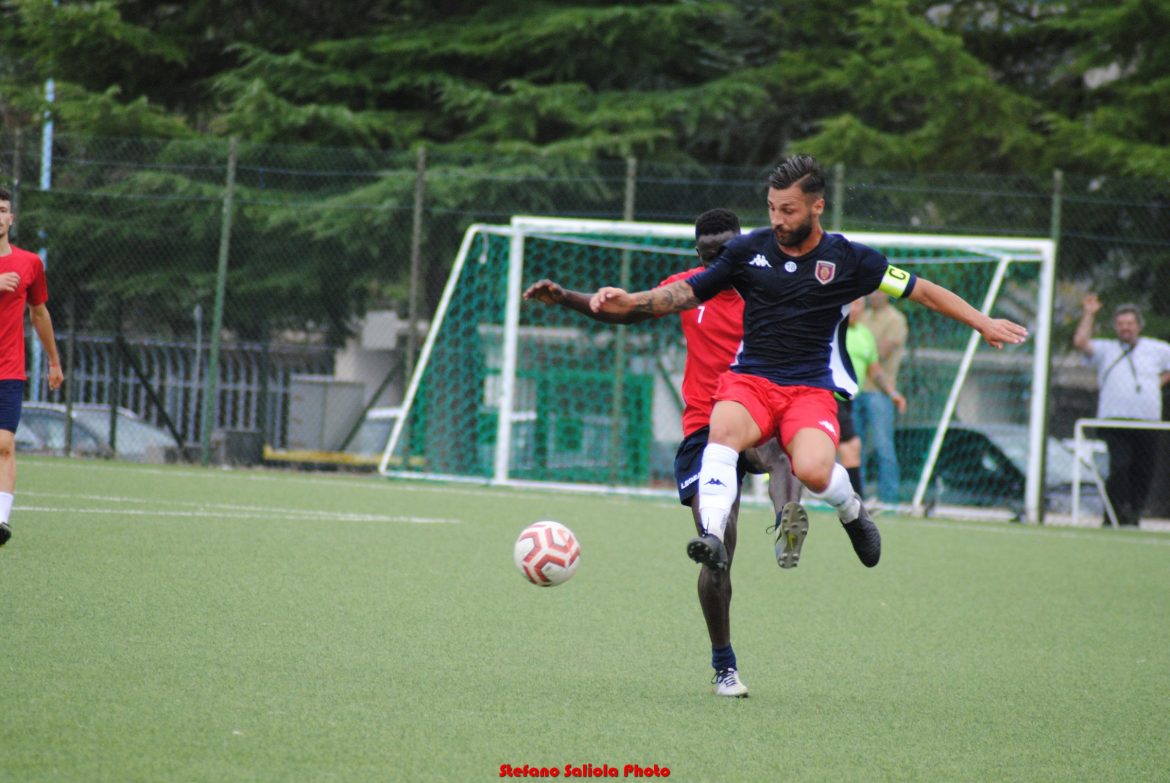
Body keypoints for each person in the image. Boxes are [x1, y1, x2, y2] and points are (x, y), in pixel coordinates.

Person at [590, 154, 1028, 576]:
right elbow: (686, 292)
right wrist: (630, 300)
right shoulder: (748, 250)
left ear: (817, 207)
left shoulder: (850, 259)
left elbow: (922, 290)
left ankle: (853, 511)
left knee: (814, 471)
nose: (777, 219)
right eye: (771, 208)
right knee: (721, 430)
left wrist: (982, 321)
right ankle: (714, 536)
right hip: (751, 381)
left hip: (809, 389)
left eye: (788, 210)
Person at [523, 208, 803, 699]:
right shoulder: (687, 289)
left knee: (780, 453)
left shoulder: (767, 289)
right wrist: (565, 297)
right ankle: (724, 665)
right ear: (699, 254)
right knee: (717, 554)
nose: (718, 261)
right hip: (703, 429)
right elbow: (624, 312)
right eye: (710, 254)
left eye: (727, 251)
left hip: (753, 411)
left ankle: (788, 523)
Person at [0, 186, 65, 547]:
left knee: (4, 443)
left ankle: (1, 519)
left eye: (3, 210)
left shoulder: (29, 263)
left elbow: (39, 313)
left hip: (8, 369)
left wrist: (54, 361)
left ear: (11, 218)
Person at [1072, 294, 1170, 527]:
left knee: (1143, 470)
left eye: (1130, 323)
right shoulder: (1107, 349)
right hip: (1114, 419)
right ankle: (1113, 515)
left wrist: (1158, 383)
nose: (1125, 328)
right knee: (1120, 467)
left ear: (1138, 326)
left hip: (1147, 420)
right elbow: (1081, 342)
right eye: (1121, 324)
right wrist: (1089, 314)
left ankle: (1134, 515)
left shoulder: (1156, 349)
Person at [838, 297, 907, 499]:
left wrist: (892, 393)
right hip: (830, 397)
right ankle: (847, 498)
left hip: (852, 399)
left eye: (858, 304)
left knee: (860, 448)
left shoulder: (865, 334)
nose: (854, 309)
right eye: (850, 303)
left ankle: (864, 500)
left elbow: (875, 370)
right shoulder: (833, 330)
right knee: (845, 448)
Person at [856, 290, 909, 506]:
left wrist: (860, 347)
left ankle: (888, 498)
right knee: (853, 447)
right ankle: (854, 495)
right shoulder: (863, 316)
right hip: (855, 390)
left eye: (878, 291)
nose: (873, 295)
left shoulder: (895, 320)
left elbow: (879, 354)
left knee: (882, 445)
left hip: (880, 391)